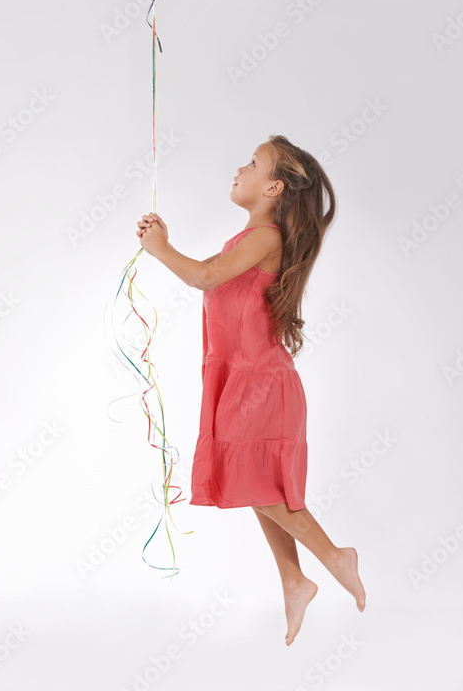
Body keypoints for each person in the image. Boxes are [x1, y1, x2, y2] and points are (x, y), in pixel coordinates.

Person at [136, 134, 365, 646]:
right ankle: (293, 579)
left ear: (273, 187)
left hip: (260, 385)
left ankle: (333, 556)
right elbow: (217, 277)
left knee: (257, 485)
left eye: (253, 163)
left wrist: (160, 248)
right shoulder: (247, 240)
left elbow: (205, 277)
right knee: (256, 484)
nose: (240, 168)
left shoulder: (266, 238)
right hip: (243, 380)